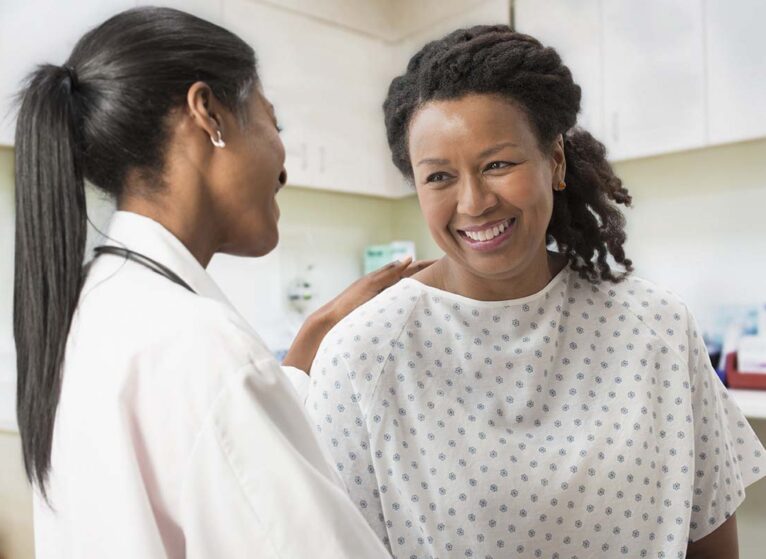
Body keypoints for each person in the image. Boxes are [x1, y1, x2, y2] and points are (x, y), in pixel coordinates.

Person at [305, 25, 766, 559]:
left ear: (555, 161)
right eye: (439, 177)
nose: (474, 202)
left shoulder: (657, 328)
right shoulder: (361, 357)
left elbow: (710, 537)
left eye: (498, 164)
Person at [13, 7, 426, 557]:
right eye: (273, 123)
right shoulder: (199, 346)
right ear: (208, 113)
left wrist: (307, 346)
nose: (284, 168)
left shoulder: (95, 308)